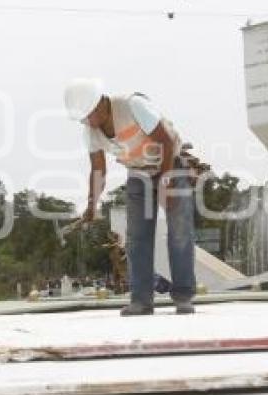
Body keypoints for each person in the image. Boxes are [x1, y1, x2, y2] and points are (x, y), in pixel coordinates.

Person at [64, 79, 196, 315]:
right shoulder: (91, 132)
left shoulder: (133, 105)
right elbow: (98, 171)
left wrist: (166, 181)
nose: (85, 122)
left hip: (170, 164)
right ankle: (141, 301)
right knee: (137, 238)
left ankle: (183, 296)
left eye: (86, 116)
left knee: (180, 231)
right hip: (139, 174)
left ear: (99, 105)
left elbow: (165, 140)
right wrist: (92, 205)